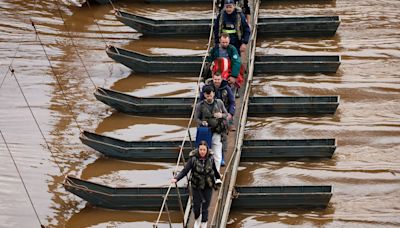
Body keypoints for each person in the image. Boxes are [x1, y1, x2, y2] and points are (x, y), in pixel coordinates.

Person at [171, 141, 222, 228]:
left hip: (208, 185)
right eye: (201, 149)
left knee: (205, 206)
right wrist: (176, 178)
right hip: (196, 186)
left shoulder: (211, 158)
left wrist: (218, 178)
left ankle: (204, 223)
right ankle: (197, 219)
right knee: (196, 206)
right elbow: (185, 171)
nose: (202, 151)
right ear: (198, 150)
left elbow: (214, 170)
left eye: (204, 150)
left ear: (207, 150)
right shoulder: (193, 159)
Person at [195, 85, 228, 172]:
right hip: (205, 133)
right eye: (207, 95)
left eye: (210, 94)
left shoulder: (219, 102)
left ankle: (216, 174)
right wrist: (202, 122)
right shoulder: (199, 105)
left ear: (214, 93)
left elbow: (226, 114)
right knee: (205, 153)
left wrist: (221, 115)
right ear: (204, 95)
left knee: (217, 153)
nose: (209, 96)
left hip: (217, 131)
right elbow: (196, 118)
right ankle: (206, 172)